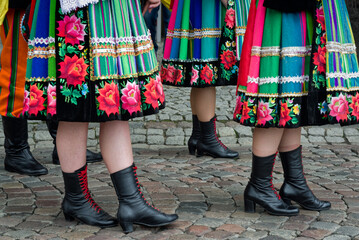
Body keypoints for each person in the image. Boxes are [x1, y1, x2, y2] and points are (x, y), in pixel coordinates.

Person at [24, 0, 178, 232]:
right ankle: (76, 199)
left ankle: (131, 201)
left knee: (114, 100)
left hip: (112, 8)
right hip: (73, 10)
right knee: (73, 102)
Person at [234, 0, 359, 215]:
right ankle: (259, 185)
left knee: (293, 94)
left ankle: (294, 183)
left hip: (299, 10)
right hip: (278, 12)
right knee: (277, 92)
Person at [0, 2, 102, 177]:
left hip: (49, 4)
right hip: (19, 5)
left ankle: (61, 143)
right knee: (17, 70)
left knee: (53, 69)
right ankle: (16, 149)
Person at [161, 0, 250, 158]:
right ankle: (207, 140)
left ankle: (199, 135)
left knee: (201, 68)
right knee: (205, 69)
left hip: (197, 6)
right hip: (207, 7)